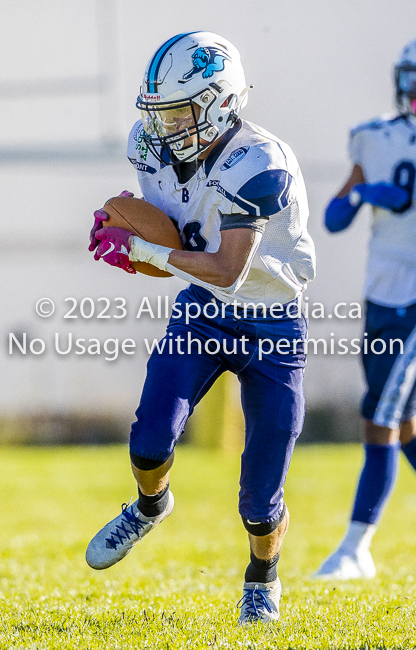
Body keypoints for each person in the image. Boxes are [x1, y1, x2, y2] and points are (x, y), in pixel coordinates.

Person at [86, 32, 316, 623]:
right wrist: (128, 241)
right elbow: (175, 235)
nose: (166, 126)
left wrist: (141, 247)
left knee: (261, 502)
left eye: (180, 111)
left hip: (272, 325)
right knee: (148, 440)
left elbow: (227, 268)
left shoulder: (260, 162)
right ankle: (149, 506)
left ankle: (262, 579)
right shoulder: (151, 144)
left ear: (221, 102)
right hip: (203, 311)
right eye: (160, 112)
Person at [314, 33, 416, 580]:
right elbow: (334, 217)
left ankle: (354, 548)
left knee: (379, 416)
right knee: (403, 418)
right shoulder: (372, 138)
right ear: (399, 83)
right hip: (380, 293)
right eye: (415, 85)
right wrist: (359, 196)